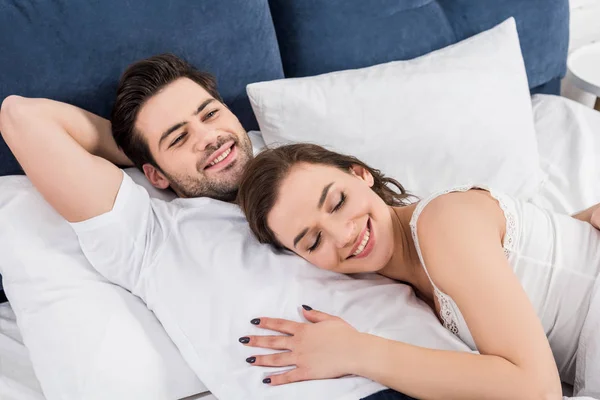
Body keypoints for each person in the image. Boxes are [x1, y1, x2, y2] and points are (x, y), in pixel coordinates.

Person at [0, 54, 416, 400]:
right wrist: (137, 152)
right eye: (178, 138)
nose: (210, 137)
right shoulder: (149, 235)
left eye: (210, 114)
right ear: (155, 174)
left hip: (449, 367)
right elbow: (20, 116)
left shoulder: (313, 174)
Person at [237, 143, 600, 399]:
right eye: (313, 242)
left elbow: (537, 392)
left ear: (361, 174)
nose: (343, 235)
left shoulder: (443, 223)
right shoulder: (400, 283)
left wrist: (356, 351)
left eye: (338, 202)